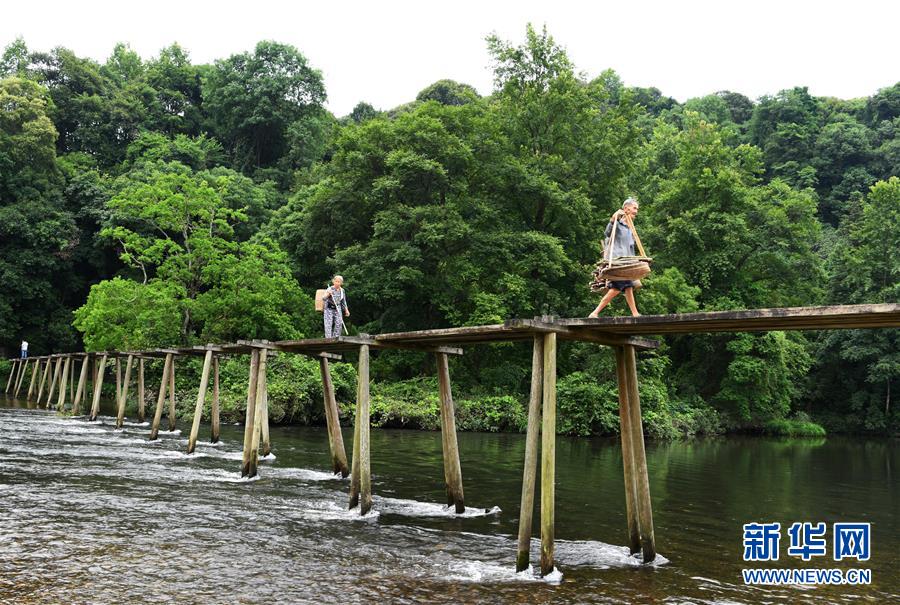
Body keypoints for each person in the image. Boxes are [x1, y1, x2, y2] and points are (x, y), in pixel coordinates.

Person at [589, 198, 641, 318]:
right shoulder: (618, 224)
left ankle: (634, 313)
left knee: (625, 287)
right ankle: (595, 312)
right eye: (634, 208)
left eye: (637, 209)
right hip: (618, 262)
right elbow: (607, 232)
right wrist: (613, 219)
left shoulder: (630, 228)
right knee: (622, 287)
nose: (636, 211)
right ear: (626, 208)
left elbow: (630, 248)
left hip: (627, 263)